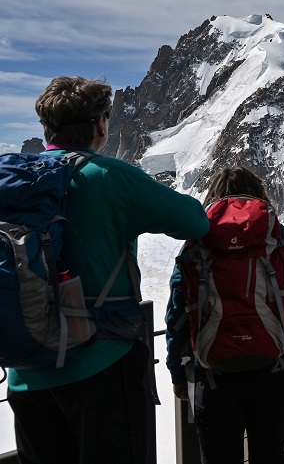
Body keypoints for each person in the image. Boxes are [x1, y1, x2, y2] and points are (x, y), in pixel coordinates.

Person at [7, 76, 210, 464]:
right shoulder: (108, 177)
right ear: (101, 125)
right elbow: (194, 221)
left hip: (26, 373)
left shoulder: (14, 182)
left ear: (46, 128)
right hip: (101, 365)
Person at [165, 167, 284, 464]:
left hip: (213, 376)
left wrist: (178, 372)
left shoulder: (198, 239)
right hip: (273, 368)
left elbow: (178, 308)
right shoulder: (277, 237)